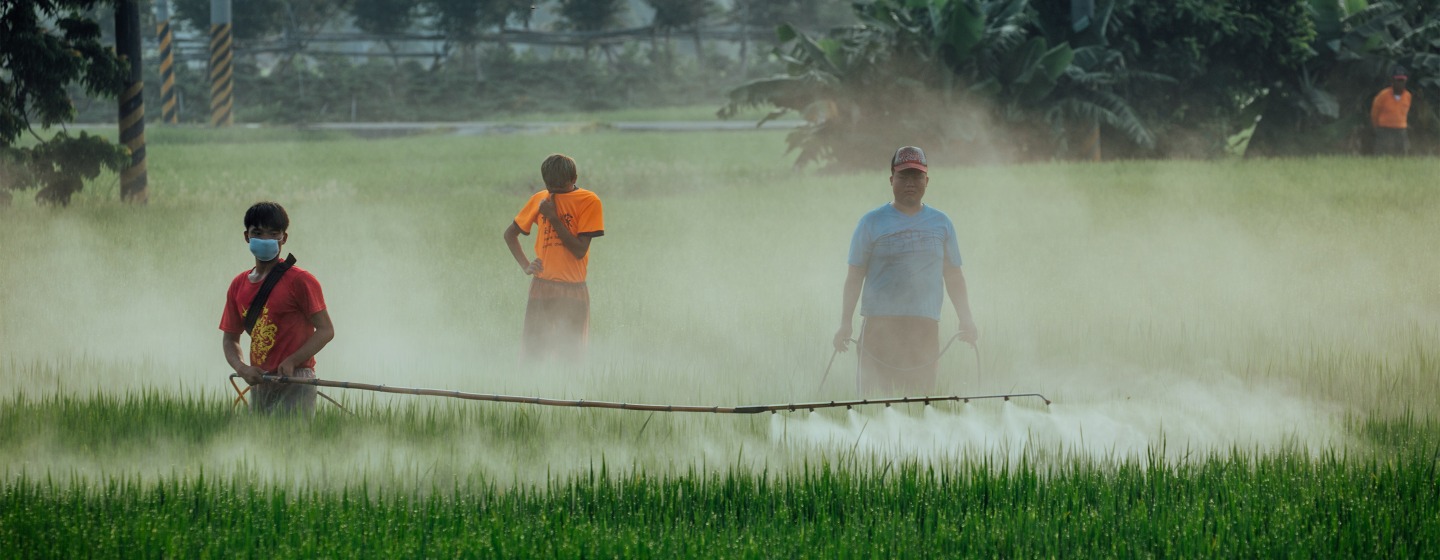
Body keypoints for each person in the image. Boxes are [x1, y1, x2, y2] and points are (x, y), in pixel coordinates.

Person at [833, 146, 977, 395]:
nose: (910, 183)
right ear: (891, 180)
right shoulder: (871, 222)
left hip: (924, 326)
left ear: (927, 181)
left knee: (921, 400)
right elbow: (855, 275)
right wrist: (845, 323)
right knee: (873, 400)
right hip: (879, 326)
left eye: (916, 177)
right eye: (903, 177)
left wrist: (966, 318)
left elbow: (954, 275)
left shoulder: (941, 223)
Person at [219, 201, 334, 416]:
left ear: (284, 238)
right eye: (258, 233)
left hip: (295, 378)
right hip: (259, 381)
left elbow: (326, 330)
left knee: (292, 444)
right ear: (247, 236)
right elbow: (230, 339)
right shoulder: (238, 285)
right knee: (259, 445)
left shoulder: (301, 281)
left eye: (273, 234)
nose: (265, 240)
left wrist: (292, 361)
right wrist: (242, 369)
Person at [503, 153, 605, 362]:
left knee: (571, 356)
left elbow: (579, 251)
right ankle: (530, 393)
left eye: (560, 189)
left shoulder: (589, 201)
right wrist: (525, 265)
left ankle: (566, 394)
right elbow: (509, 234)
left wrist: (552, 217)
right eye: (551, 189)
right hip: (542, 286)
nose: (554, 194)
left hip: (573, 289)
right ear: (545, 183)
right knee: (533, 353)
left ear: (574, 179)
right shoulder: (540, 199)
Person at [1371, 66, 1412, 157]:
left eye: (1402, 80)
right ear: (1392, 81)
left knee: (1401, 154)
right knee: (1381, 154)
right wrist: (1376, 125)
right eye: (1397, 80)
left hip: (1401, 130)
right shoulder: (1382, 95)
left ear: (1405, 81)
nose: (1400, 83)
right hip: (1384, 129)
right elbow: (1375, 112)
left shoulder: (1408, 96)